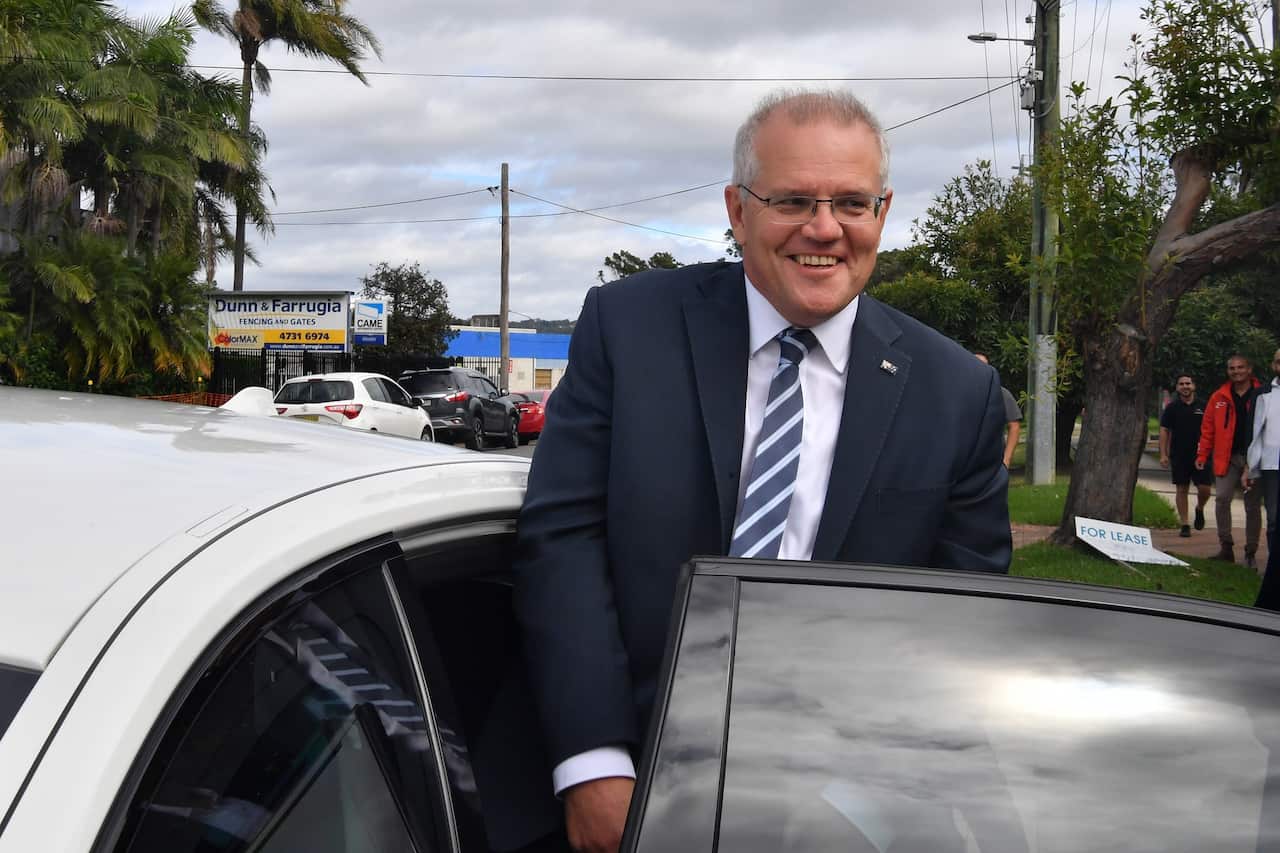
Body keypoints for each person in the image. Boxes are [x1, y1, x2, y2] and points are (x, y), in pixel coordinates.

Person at [512, 90, 1012, 853]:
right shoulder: (629, 327)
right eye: (791, 200)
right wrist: (594, 762)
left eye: (852, 202)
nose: (824, 227)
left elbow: (959, 632)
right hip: (626, 785)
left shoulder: (957, 395)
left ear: (882, 212)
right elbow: (562, 538)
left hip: (842, 809)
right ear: (737, 210)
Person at [1196, 353, 1263, 568]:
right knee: (1222, 499)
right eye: (1232, 368)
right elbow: (1208, 429)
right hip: (1227, 457)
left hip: (1253, 458)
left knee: (1252, 506)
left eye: (1240, 367)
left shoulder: (1262, 395)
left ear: (1249, 369)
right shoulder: (1219, 397)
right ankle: (1226, 546)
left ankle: (1251, 551)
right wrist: (1202, 454)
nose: (1236, 372)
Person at [1159, 373, 1213, 537]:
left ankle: (1199, 508)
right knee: (1181, 488)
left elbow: (1213, 429)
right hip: (1179, 454)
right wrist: (1163, 454)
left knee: (1205, 489)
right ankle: (1184, 524)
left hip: (1201, 455)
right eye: (1181, 384)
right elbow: (1164, 430)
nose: (1185, 386)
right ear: (1177, 388)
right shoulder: (1172, 408)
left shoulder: (1204, 406)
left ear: (1193, 386)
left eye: (1188, 383)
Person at [1246, 348, 1280, 554]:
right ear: (1274, 365)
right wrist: (1250, 467)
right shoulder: (1263, 394)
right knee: (1274, 517)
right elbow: (1254, 432)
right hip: (1271, 467)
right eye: (1279, 361)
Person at [973, 352, 1021, 468]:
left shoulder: (1002, 394)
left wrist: (1006, 460)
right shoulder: (959, 394)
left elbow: (1014, 426)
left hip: (992, 461)